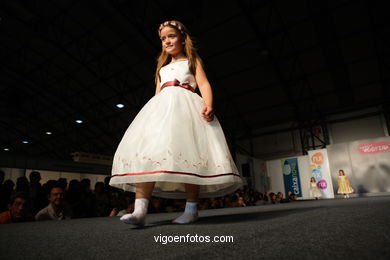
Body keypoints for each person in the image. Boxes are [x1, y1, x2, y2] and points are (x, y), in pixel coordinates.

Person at [109, 20, 242, 226]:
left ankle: (191, 209)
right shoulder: (162, 68)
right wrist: (151, 115)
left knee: (190, 155)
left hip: (187, 109)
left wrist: (208, 104)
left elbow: (204, 84)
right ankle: (140, 211)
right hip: (162, 112)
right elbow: (157, 94)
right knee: (148, 155)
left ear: (182, 38)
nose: (167, 41)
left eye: (171, 36)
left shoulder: (192, 60)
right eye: (163, 38)